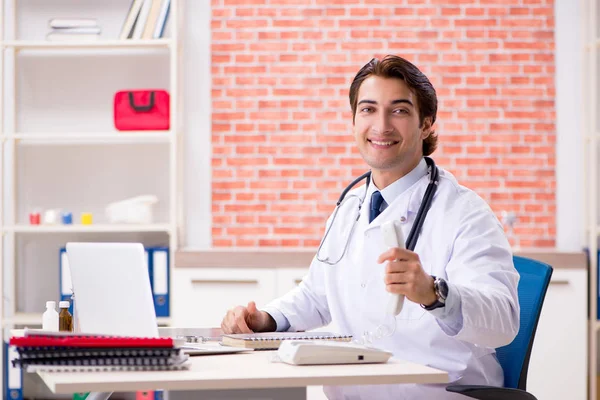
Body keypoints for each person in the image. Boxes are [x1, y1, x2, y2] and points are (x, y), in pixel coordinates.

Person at [220, 55, 520, 400]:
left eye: (399, 110)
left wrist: (434, 294)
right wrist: (266, 320)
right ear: (353, 120)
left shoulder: (465, 213)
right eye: (368, 109)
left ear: (426, 124)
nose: (381, 126)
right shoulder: (350, 207)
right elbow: (318, 295)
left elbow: (503, 321)